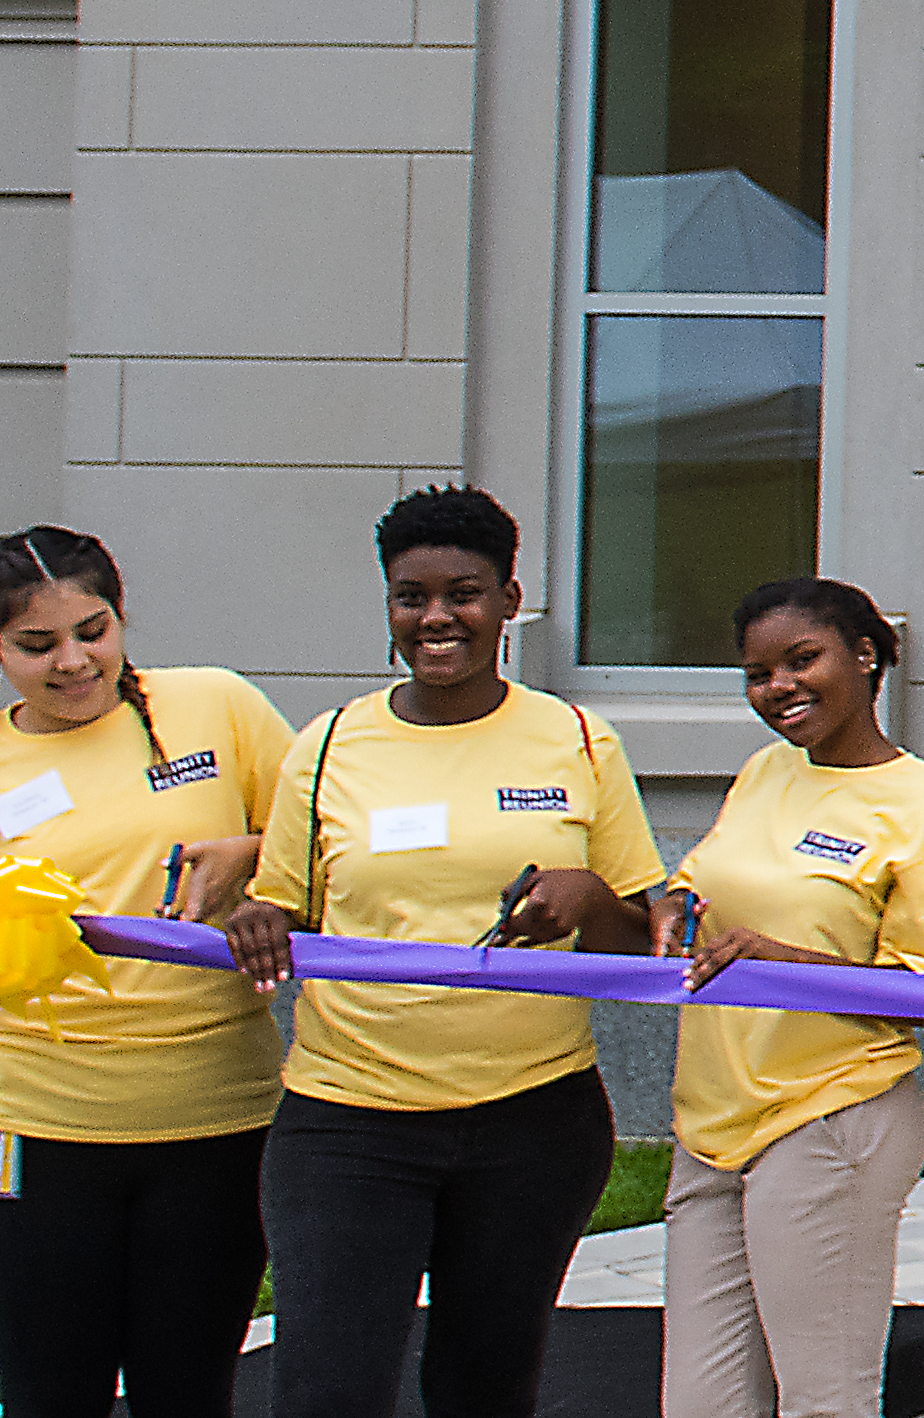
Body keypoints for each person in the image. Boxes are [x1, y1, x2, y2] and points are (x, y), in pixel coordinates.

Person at [214, 487, 660, 1418]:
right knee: (328, 1390)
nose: (436, 618)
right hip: (348, 1120)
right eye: (410, 596)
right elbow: (285, 910)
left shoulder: (577, 738)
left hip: (533, 1119)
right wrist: (255, 923)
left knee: (485, 1386)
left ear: (508, 598)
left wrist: (586, 901)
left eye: (463, 592)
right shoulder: (329, 744)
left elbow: (643, 936)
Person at [0, 527, 290, 1418]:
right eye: (37, 645)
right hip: (38, 1127)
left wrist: (252, 853)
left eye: (93, 632)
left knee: (187, 1393)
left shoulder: (217, 708)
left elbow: (326, 845)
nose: (73, 662)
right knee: (50, 1398)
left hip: (217, 1119)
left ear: (121, 619)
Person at [656, 578, 924, 1418]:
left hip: (830, 1116)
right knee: (699, 1406)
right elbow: (701, 883)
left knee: (823, 1401)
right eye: (758, 673)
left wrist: (783, 960)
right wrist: (669, 905)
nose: (780, 688)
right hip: (713, 1118)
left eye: (803, 660)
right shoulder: (767, 771)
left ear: (865, 655)